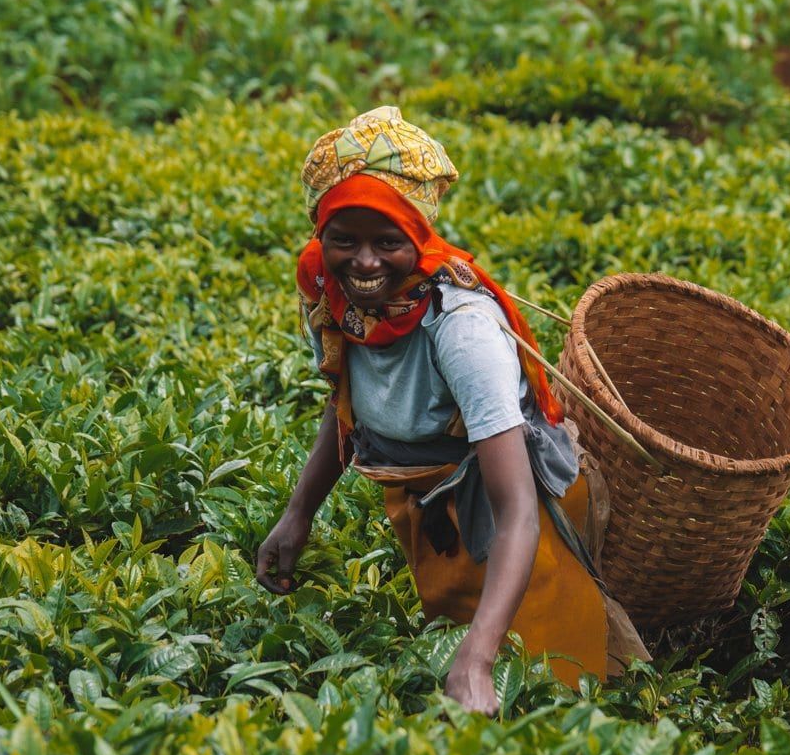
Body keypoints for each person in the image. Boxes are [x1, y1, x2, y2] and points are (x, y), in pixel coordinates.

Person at [256, 107, 648, 713]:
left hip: (515, 529)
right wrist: (297, 513)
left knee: (549, 695)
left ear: (418, 239)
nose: (364, 263)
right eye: (344, 240)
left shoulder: (461, 329)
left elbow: (515, 508)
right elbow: (347, 409)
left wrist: (477, 657)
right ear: (319, 237)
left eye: (387, 242)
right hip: (432, 510)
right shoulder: (335, 301)